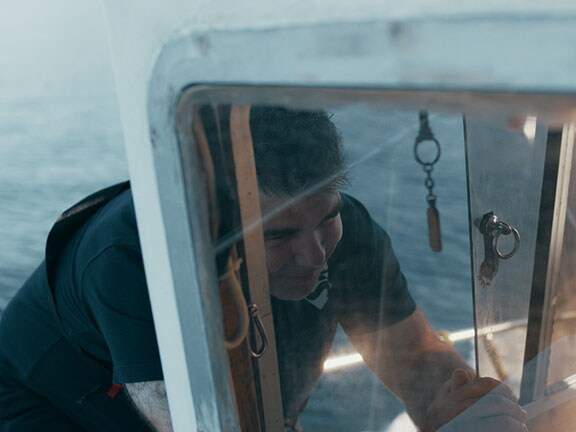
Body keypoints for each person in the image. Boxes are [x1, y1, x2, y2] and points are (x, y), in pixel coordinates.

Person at [0, 107, 527, 431]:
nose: (315, 254)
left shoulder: (348, 231)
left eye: (327, 217)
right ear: (219, 224)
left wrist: (464, 407)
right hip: (47, 403)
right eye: (278, 236)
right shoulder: (132, 261)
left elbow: (416, 361)